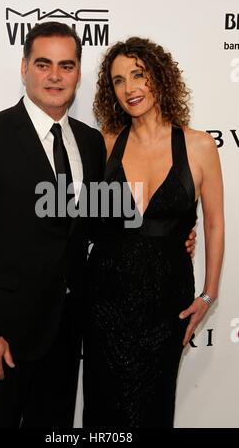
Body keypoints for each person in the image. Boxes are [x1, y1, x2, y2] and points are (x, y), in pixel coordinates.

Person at [0, 22, 106, 428]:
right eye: (43, 64)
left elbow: (101, 222)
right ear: (24, 67)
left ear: (78, 72)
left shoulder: (90, 142)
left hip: (67, 336)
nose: (55, 76)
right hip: (2, 339)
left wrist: (173, 237)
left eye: (66, 65)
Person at [83, 36, 224, 428]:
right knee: (103, 409)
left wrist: (209, 293)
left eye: (138, 75)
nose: (130, 88)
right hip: (105, 300)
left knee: (153, 408)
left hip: (166, 303)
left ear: (158, 78)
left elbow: (213, 221)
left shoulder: (198, 146)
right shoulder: (105, 143)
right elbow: (86, 217)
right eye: (118, 80)